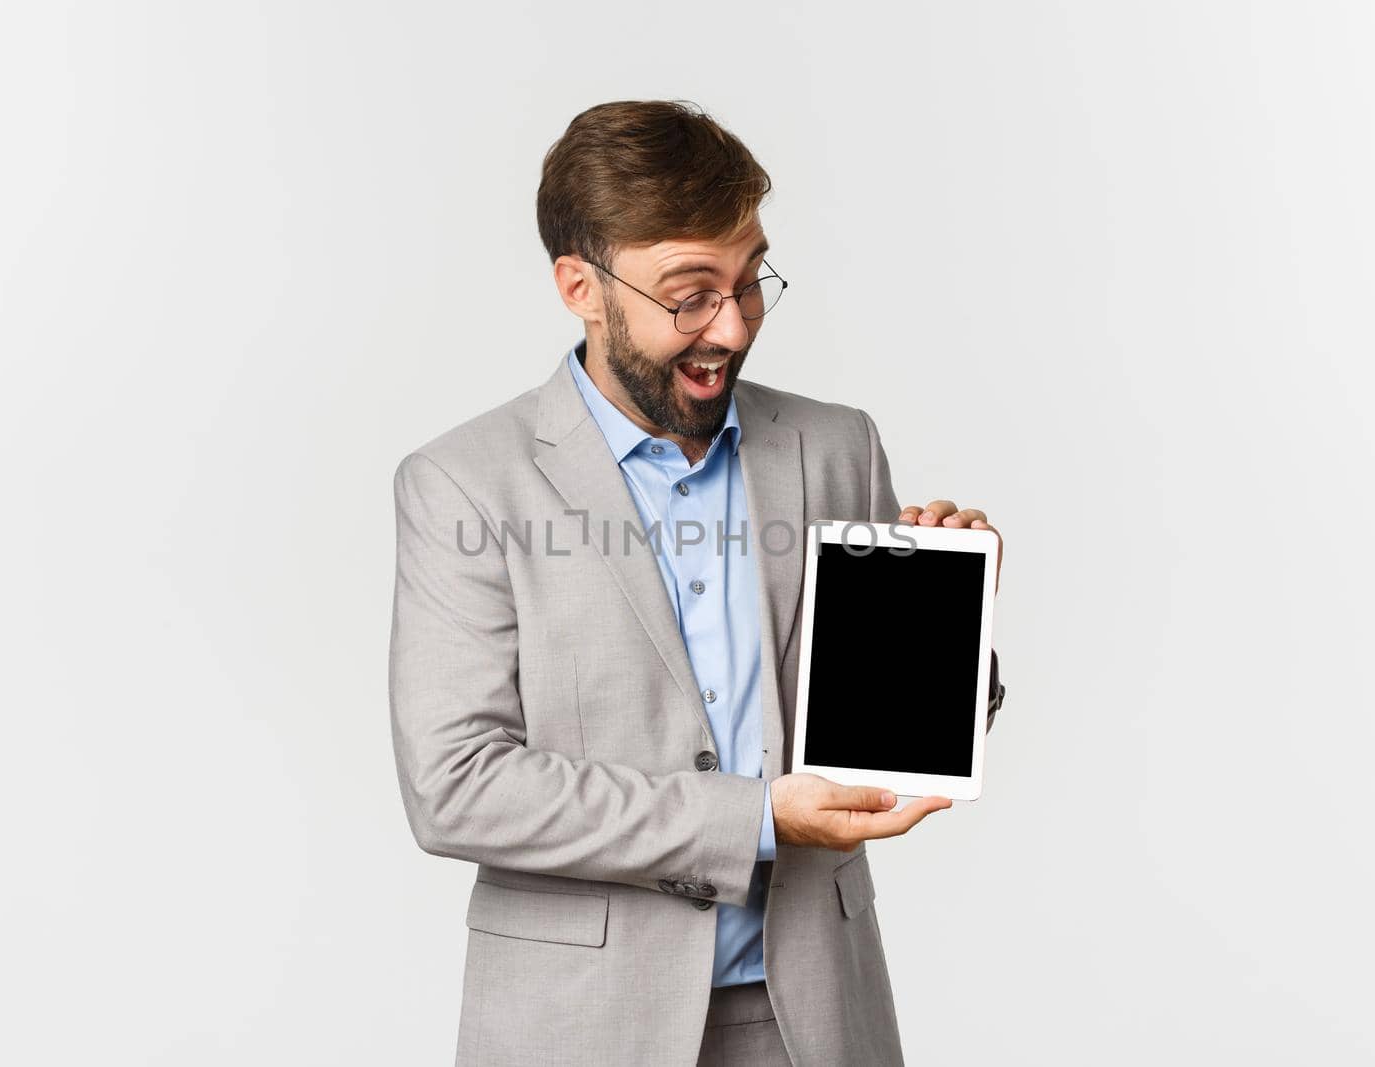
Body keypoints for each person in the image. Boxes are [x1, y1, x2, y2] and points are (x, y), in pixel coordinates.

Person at [388, 99, 1006, 1067]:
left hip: (812, 1013)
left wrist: (948, 622)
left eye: (750, 280)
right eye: (690, 293)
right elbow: (459, 786)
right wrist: (752, 820)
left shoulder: (835, 445)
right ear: (580, 287)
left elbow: (878, 736)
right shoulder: (465, 482)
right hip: (580, 1021)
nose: (731, 324)